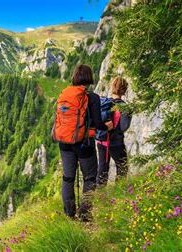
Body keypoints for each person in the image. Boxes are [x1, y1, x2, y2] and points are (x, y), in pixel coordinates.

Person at [52, 64, 113, 221]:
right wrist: (107, 126)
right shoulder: (92, 97)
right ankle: (85, 214)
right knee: (90, 177)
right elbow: (98, 123)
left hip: (65, 143)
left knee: (68, 178)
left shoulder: (64, 94)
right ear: (89, 78)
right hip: (85, 144)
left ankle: (69, 214)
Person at [97, 77, 132, 186]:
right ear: (124, 90)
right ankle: (119, 193)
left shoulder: (103, 103)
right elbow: (123, 127)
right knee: (122, 167)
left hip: (101, 142)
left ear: (112, 87)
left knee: (102, 170)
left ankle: (98, 197)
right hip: (116, 143)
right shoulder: (124, 107)